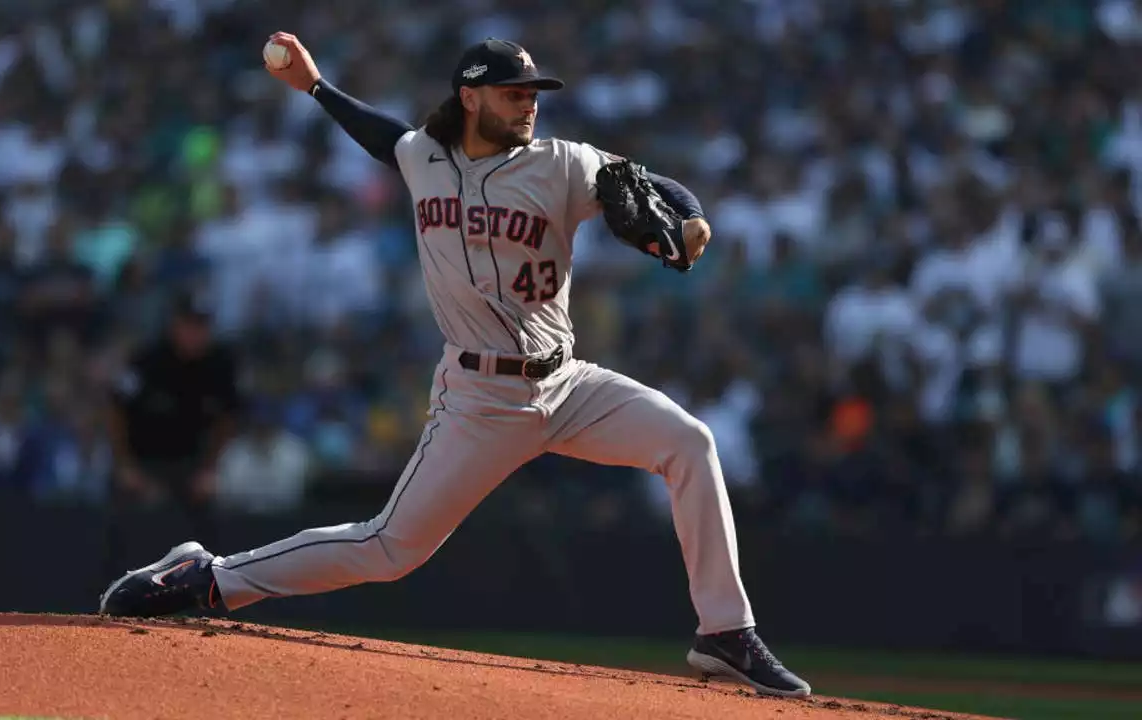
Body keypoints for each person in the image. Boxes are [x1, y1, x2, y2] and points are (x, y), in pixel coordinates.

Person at [98, 35, 810, 698]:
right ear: (471, 98)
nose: (528, 102)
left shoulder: (563, 163)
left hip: (567, 382)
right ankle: (210, 578)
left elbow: (649, 185)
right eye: (513, 91)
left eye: (533, 92)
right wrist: (315, 87)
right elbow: (385, 137)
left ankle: (725, 631)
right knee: (388, 548)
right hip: (478, 399)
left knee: (689, 441)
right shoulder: (425, 158)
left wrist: (689, 219)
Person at [101, 290, 240, 583]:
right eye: (189, 325)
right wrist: (125, 466)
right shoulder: (146, 360)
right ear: (174, 325)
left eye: (202, 326)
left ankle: (211, 601)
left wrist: (210, 468)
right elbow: (115, 412)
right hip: (144, 463)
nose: (196, 334)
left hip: (192, 464)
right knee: (126, 531)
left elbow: (229, 419)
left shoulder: (220, 364)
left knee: (211, 532)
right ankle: (112, 598)